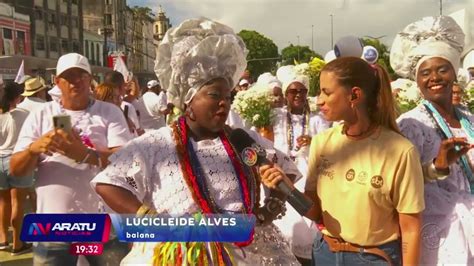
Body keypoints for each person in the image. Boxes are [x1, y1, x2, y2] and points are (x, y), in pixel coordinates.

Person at [91, 18, 301, 265]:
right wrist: (150, 219)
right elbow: (108, 183)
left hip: (250, 253)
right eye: (214, 95)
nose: (224, 102)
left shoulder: (243, 140)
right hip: (180, 255)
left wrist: (272, 205)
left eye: (227, 96)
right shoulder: (156, 144)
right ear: (188, 101)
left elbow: (284, 171)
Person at [264, 57, 425, 265]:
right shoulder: (323, 142)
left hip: (373, 258)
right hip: (324, 254)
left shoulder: (400, 151)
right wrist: (287, 188)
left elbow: (411, 229)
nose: (318, 100)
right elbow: (315, 212)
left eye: (326, 92)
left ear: (354, 95)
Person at [9, 53, 132, 265]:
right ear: (57, 82)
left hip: (102, 223)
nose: (76, 81)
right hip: (52, 225)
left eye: (82, 75)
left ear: (90, 80)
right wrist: (33, 150)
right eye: (69, 76)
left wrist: (86, 154)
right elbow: (15, 169)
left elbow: (126, 161)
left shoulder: (109, 112)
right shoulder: (41, 114)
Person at [391, 16, 473, 265]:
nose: (434, 77)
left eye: (442, 69)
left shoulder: (469, 119)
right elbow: (401, 184)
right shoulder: (411, 124)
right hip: (439, 230)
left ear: (454, 74)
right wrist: (438, 167)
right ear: (417, 81)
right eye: (425, 73)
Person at [268, 65, 330, 264]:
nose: (298, 95)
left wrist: (312, 141)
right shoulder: (274, 117)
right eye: (293, 91)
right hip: (282, 172)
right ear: (286, 94)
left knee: (307, 222)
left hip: (308, 170)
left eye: (302, 91)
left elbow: (329, 147)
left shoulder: (319, 120)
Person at [0, 82, 33, 255]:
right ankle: (17, 243)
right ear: (17, 96)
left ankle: (3, 239)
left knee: (3, 202)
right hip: (17, 159)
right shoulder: (24, 114)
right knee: (17, 203)